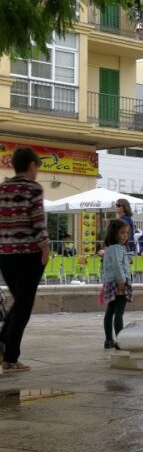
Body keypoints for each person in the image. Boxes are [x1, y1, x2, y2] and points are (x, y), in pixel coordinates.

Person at [0, 147, 49, 372]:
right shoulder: (33, 189)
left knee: (19, 301)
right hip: (29, 254)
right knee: (24, 305)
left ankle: (3, 343)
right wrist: (45, 248)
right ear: (31, 165)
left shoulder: (3, 188)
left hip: (5, 254)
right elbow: (38, 221)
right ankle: (11, 358)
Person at [100, 219, 133, 350]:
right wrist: (121, 281)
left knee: (110, 311)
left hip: (110, 282)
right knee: (119, 312)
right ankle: (120, 340)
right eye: (122, 233)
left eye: (127, 233)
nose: (125, 235)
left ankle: (109, 340)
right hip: (119, 283)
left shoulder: (109, 248)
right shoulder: (117, 248)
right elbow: (117, 265)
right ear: (114, 234)